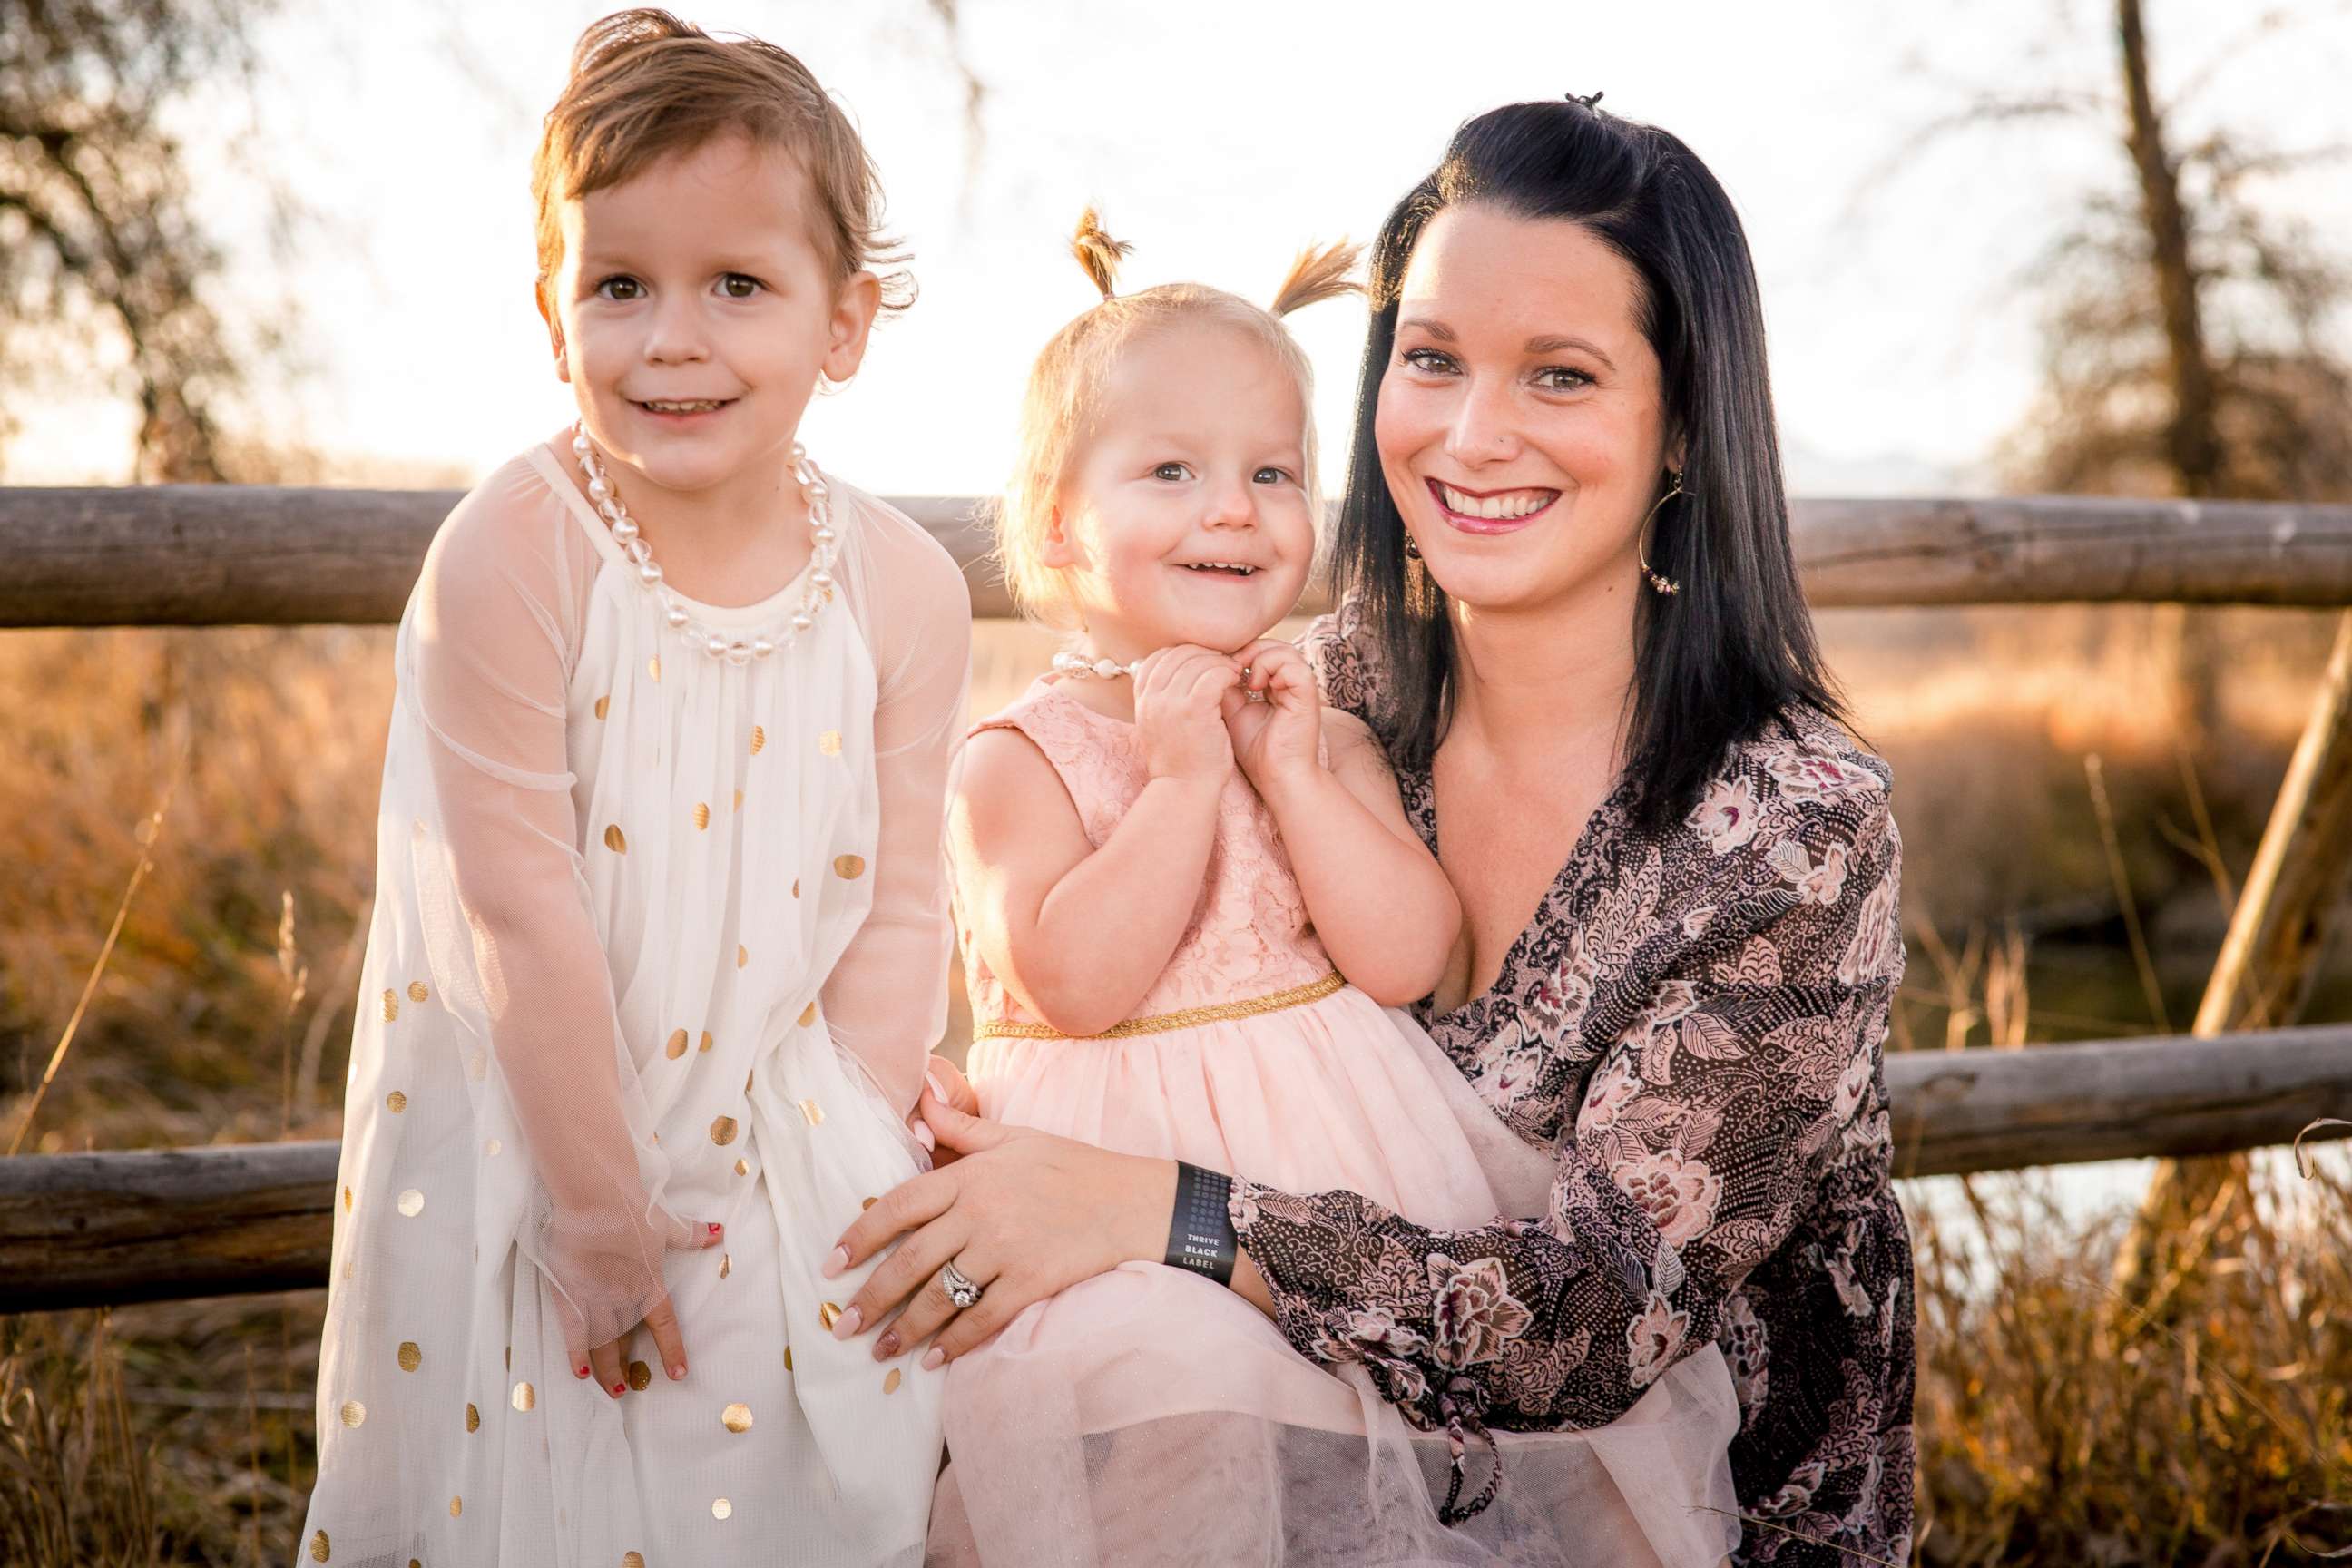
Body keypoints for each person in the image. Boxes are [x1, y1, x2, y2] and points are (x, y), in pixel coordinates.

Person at [834, 96, 1915, 1567]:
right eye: (1432, 360)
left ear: (1681, 435)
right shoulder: (1298, 690)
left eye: (1562, 374)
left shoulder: (1786, 834)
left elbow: (1592, 1325)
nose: (1473, 435)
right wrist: (987, 1129)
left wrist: (1159, 1210)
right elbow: (1083, 970)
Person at [298, 11, 968, 1564]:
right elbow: (517, 907)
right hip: (556, 1122)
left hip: (798, 1114)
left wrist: (853, 1146)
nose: (673, 335)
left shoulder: (904, 588)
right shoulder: (519, 555)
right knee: (573, 1465)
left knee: (798, 1468)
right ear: (552, 314)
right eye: (620, 286)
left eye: (738, 284)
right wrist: (597, 1214)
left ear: (844, 322)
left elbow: (905, 898)